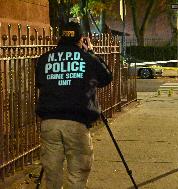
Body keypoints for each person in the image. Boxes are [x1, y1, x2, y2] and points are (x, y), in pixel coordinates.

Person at [35, 21, 113, 189]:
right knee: (78, 172)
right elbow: (106, 77)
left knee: (52, 172)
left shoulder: (44, 59)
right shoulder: (87, 58)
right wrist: (91, 51)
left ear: (60, 37)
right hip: (77, 123)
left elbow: (40, 83)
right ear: (81, 39)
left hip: (49, 123)